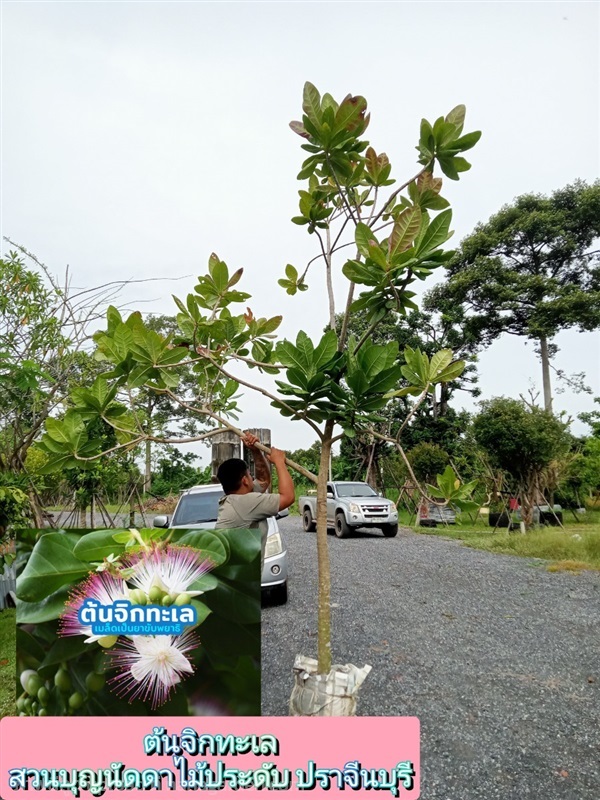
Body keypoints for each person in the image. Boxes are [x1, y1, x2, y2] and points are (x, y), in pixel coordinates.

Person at [215, 432, 295, 570]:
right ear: (245, 480)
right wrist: (279, 463)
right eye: (249, 475)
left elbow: (263, 481)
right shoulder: (246, 503)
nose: (253, 478)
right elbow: (288, 497)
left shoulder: (237, 500)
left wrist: (255, 450)